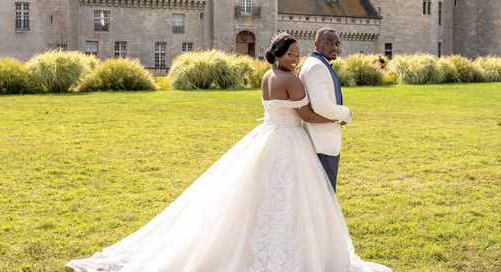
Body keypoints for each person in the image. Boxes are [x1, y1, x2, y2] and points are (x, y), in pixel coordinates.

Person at [67, 34, 391, 271]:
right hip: (289, 140)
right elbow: (306, 115)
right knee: (289, 197)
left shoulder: (267, 77)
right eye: (291, 53)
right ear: (278, 54)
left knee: (255, 195)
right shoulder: (291, 81)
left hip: (268, 134)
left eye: (297, 53)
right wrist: (339, 117)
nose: (295, 58)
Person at [299, 27, 349, 192]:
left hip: (321, 140)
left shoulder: (319, 64)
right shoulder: (316, 67)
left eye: (336, 43)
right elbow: (322, 106)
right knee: (325, 195)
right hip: (322, 142)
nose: (334, 47)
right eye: (328, 42)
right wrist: (345, 114)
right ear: (316, 44)